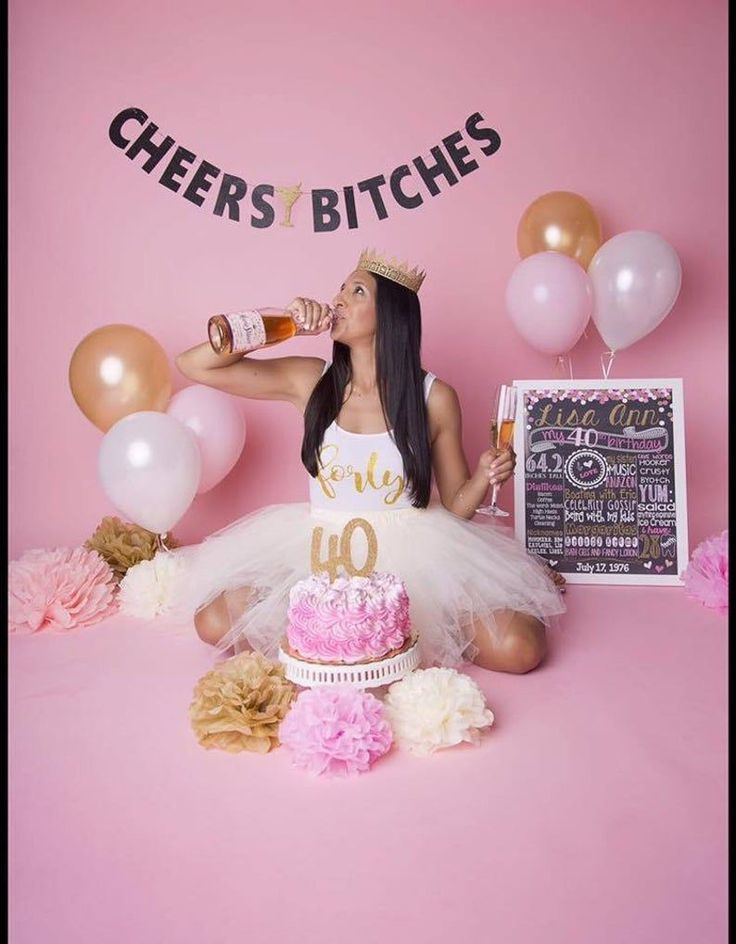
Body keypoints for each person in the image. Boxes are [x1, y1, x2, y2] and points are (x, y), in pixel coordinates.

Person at [173, 249, 565, 674]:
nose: (338, 298)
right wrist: (278, 329)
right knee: (212, 621)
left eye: (356, 291)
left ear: (391, 317)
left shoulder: (435, 397)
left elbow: (456, 505)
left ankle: (430, 628)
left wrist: (486, 474)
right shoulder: (310, 380)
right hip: (321, 553)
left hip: (417, 557)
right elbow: (194, 364)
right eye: (340, 288)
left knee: (520, 647)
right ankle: (329, 635)